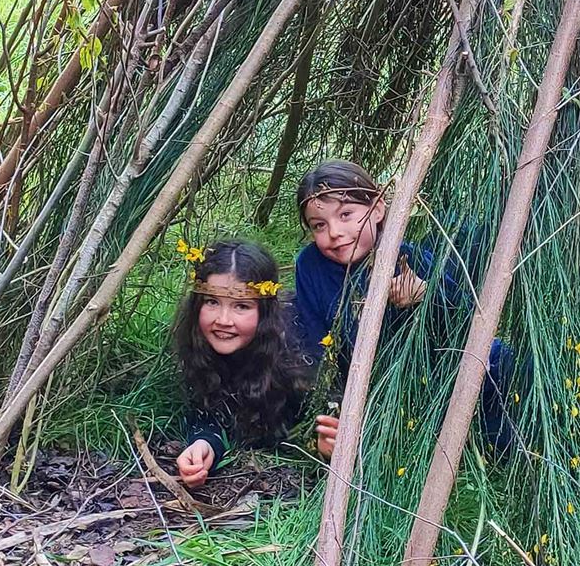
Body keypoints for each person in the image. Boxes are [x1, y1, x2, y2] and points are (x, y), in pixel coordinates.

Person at [292, 160, 524, 459]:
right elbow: (318, 345)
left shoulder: (406, 256)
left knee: (528, 415)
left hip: (475, 372)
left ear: (377, 209)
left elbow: (469, 321)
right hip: (402, 398)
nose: (334, 232)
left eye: (346, 214)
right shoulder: (310, 266)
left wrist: (425, 295)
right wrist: (335, 412)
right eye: (318, 225)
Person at [171, 240, 311, 487]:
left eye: (242, 306)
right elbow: (207, 412)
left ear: (265, 311)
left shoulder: (298, 352)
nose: (224, 320)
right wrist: (205, 444)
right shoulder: (199, 349)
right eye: (212, 302)